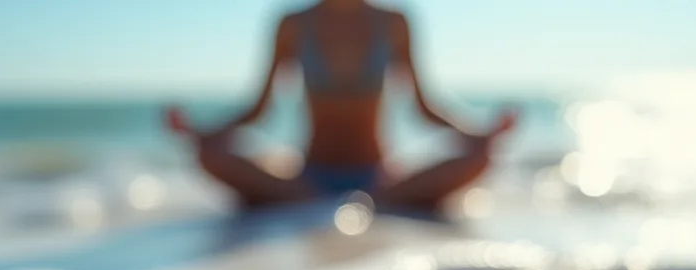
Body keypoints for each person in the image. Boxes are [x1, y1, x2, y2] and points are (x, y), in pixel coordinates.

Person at [164, 0, 518, 213]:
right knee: (211, 154)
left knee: (478, 156)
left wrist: (478, 132)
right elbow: (260, 109)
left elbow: (424, 107)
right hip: (308, 178)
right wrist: (202, 133)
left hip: (379, 178)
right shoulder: (293, 24)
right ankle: (326, 203)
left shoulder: (394, 22)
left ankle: (365, 203)